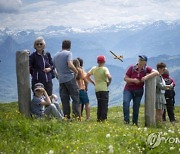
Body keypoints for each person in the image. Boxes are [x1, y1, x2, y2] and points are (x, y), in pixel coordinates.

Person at [123, 55, 159, 126]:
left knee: (136, 107)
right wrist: (133, 80)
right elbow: (125, 78)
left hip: (138, 90)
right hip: (128, 89)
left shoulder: (146, 69)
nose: (139, 61)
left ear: (145, 62)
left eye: (141, 60)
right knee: (125, 103)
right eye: (139, 59)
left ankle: (134, 123)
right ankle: (126, 121)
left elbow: (156, 72)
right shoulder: (132, 68)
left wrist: (146, 77)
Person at [53, 40, 80, 120]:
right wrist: (76, 71)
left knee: (65, 99)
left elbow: (53, 67)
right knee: (75, 97)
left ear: (62, 46)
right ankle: (76, 116)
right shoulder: (68, 53)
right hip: (69, 78)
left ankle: (67, 117)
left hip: (61, 80)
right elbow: (70, 64)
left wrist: (57, 75)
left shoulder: (56, 55)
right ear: (70, 46)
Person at [86, 55, 112, 122]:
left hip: (97, 89)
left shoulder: (94, 68)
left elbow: (87, 76)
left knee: (99, 104)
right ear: (104, 61)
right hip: (104, 88)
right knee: (104, 105)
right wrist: (108, 83)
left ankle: (99, 118)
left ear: (97, 61)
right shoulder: (105, 69)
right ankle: (103, 119)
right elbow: (109, 77)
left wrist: (93, 82)